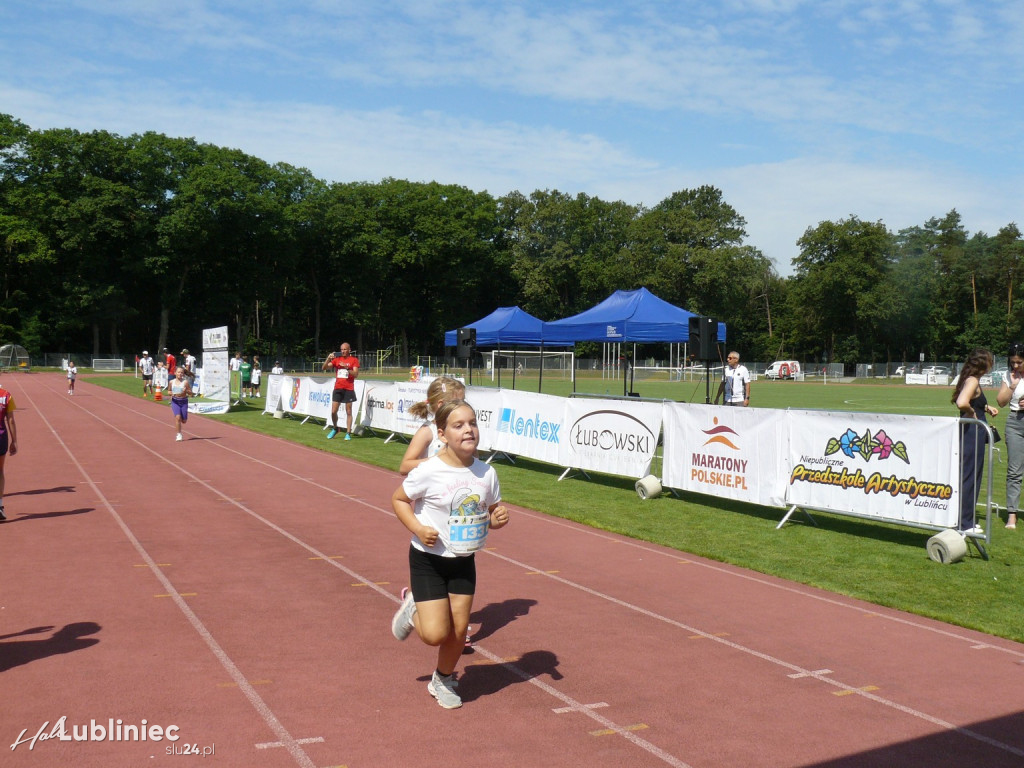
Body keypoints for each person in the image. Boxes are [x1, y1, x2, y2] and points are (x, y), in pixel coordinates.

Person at [390, 400, 510, 709]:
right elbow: (399, 499)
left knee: (458, 632)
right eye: (459, 425)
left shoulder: (487, 474)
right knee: (434, 635)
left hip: (463, 561)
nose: (468, 429)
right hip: (428, 559)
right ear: (442, 434)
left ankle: (442, 679)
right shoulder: (428, 471)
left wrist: (497, 520)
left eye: (472, 423)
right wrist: (418, 528)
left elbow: (491, 513)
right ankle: (412, 607)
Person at [954, 348, 998, 534]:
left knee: (969, 475)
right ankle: (965, 523)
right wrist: (973, 413)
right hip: (973, 432)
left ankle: (966, 518)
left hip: (971, 432)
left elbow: (970, 399)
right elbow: (962, 402)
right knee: (970, 476)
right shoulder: (972, 380)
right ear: (983, 364)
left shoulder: (970, 379)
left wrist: (985, 407)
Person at [400, 377, 467, 475]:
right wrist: (438, 460)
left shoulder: (465, 429)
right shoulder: (427, 431)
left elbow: (474, 458)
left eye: (464, 401)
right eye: (457, 402)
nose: (463, 406)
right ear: (441, 405)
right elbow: (404, 467)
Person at [996, 342, 1024, 530]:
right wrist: (1013, 386)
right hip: (1015, 424)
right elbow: (1001, 402)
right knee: (1014, 471)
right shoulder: (1009, 376)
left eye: (1019, 362)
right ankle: (1012, 515)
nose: (1015, 366)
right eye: (1012, 362)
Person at [322, 342, 359, 440]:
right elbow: (324, 368)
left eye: (345, 349)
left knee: (349, 411)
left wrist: (346, 367)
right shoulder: (337, 359)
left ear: (349, 350)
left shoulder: (354, 360)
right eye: (341, 349)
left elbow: (355, 374)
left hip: (349, 388)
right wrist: (328, 358)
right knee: (333, 411)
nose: (343, 351)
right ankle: (335, 428)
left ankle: (348, 433)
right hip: (338, 387)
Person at [0, 373, 18, 520]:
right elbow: (10, 420)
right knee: (0, 470)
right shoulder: (6, 395)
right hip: (1, 436)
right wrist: (14, 441)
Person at [169, 367, 193, 442]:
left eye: (181, 372)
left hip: (183, 402)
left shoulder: (185, 382)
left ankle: (183, 420)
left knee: (184, 421)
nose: (180, 374)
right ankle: (179, 434)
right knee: (178, 418)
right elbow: (169, 391)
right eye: (178, 372)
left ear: (183, 374)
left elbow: (191, 393)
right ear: (175, 373)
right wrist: (172, 393)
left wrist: (186, 391)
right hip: (175, 402)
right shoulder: (171, 382)